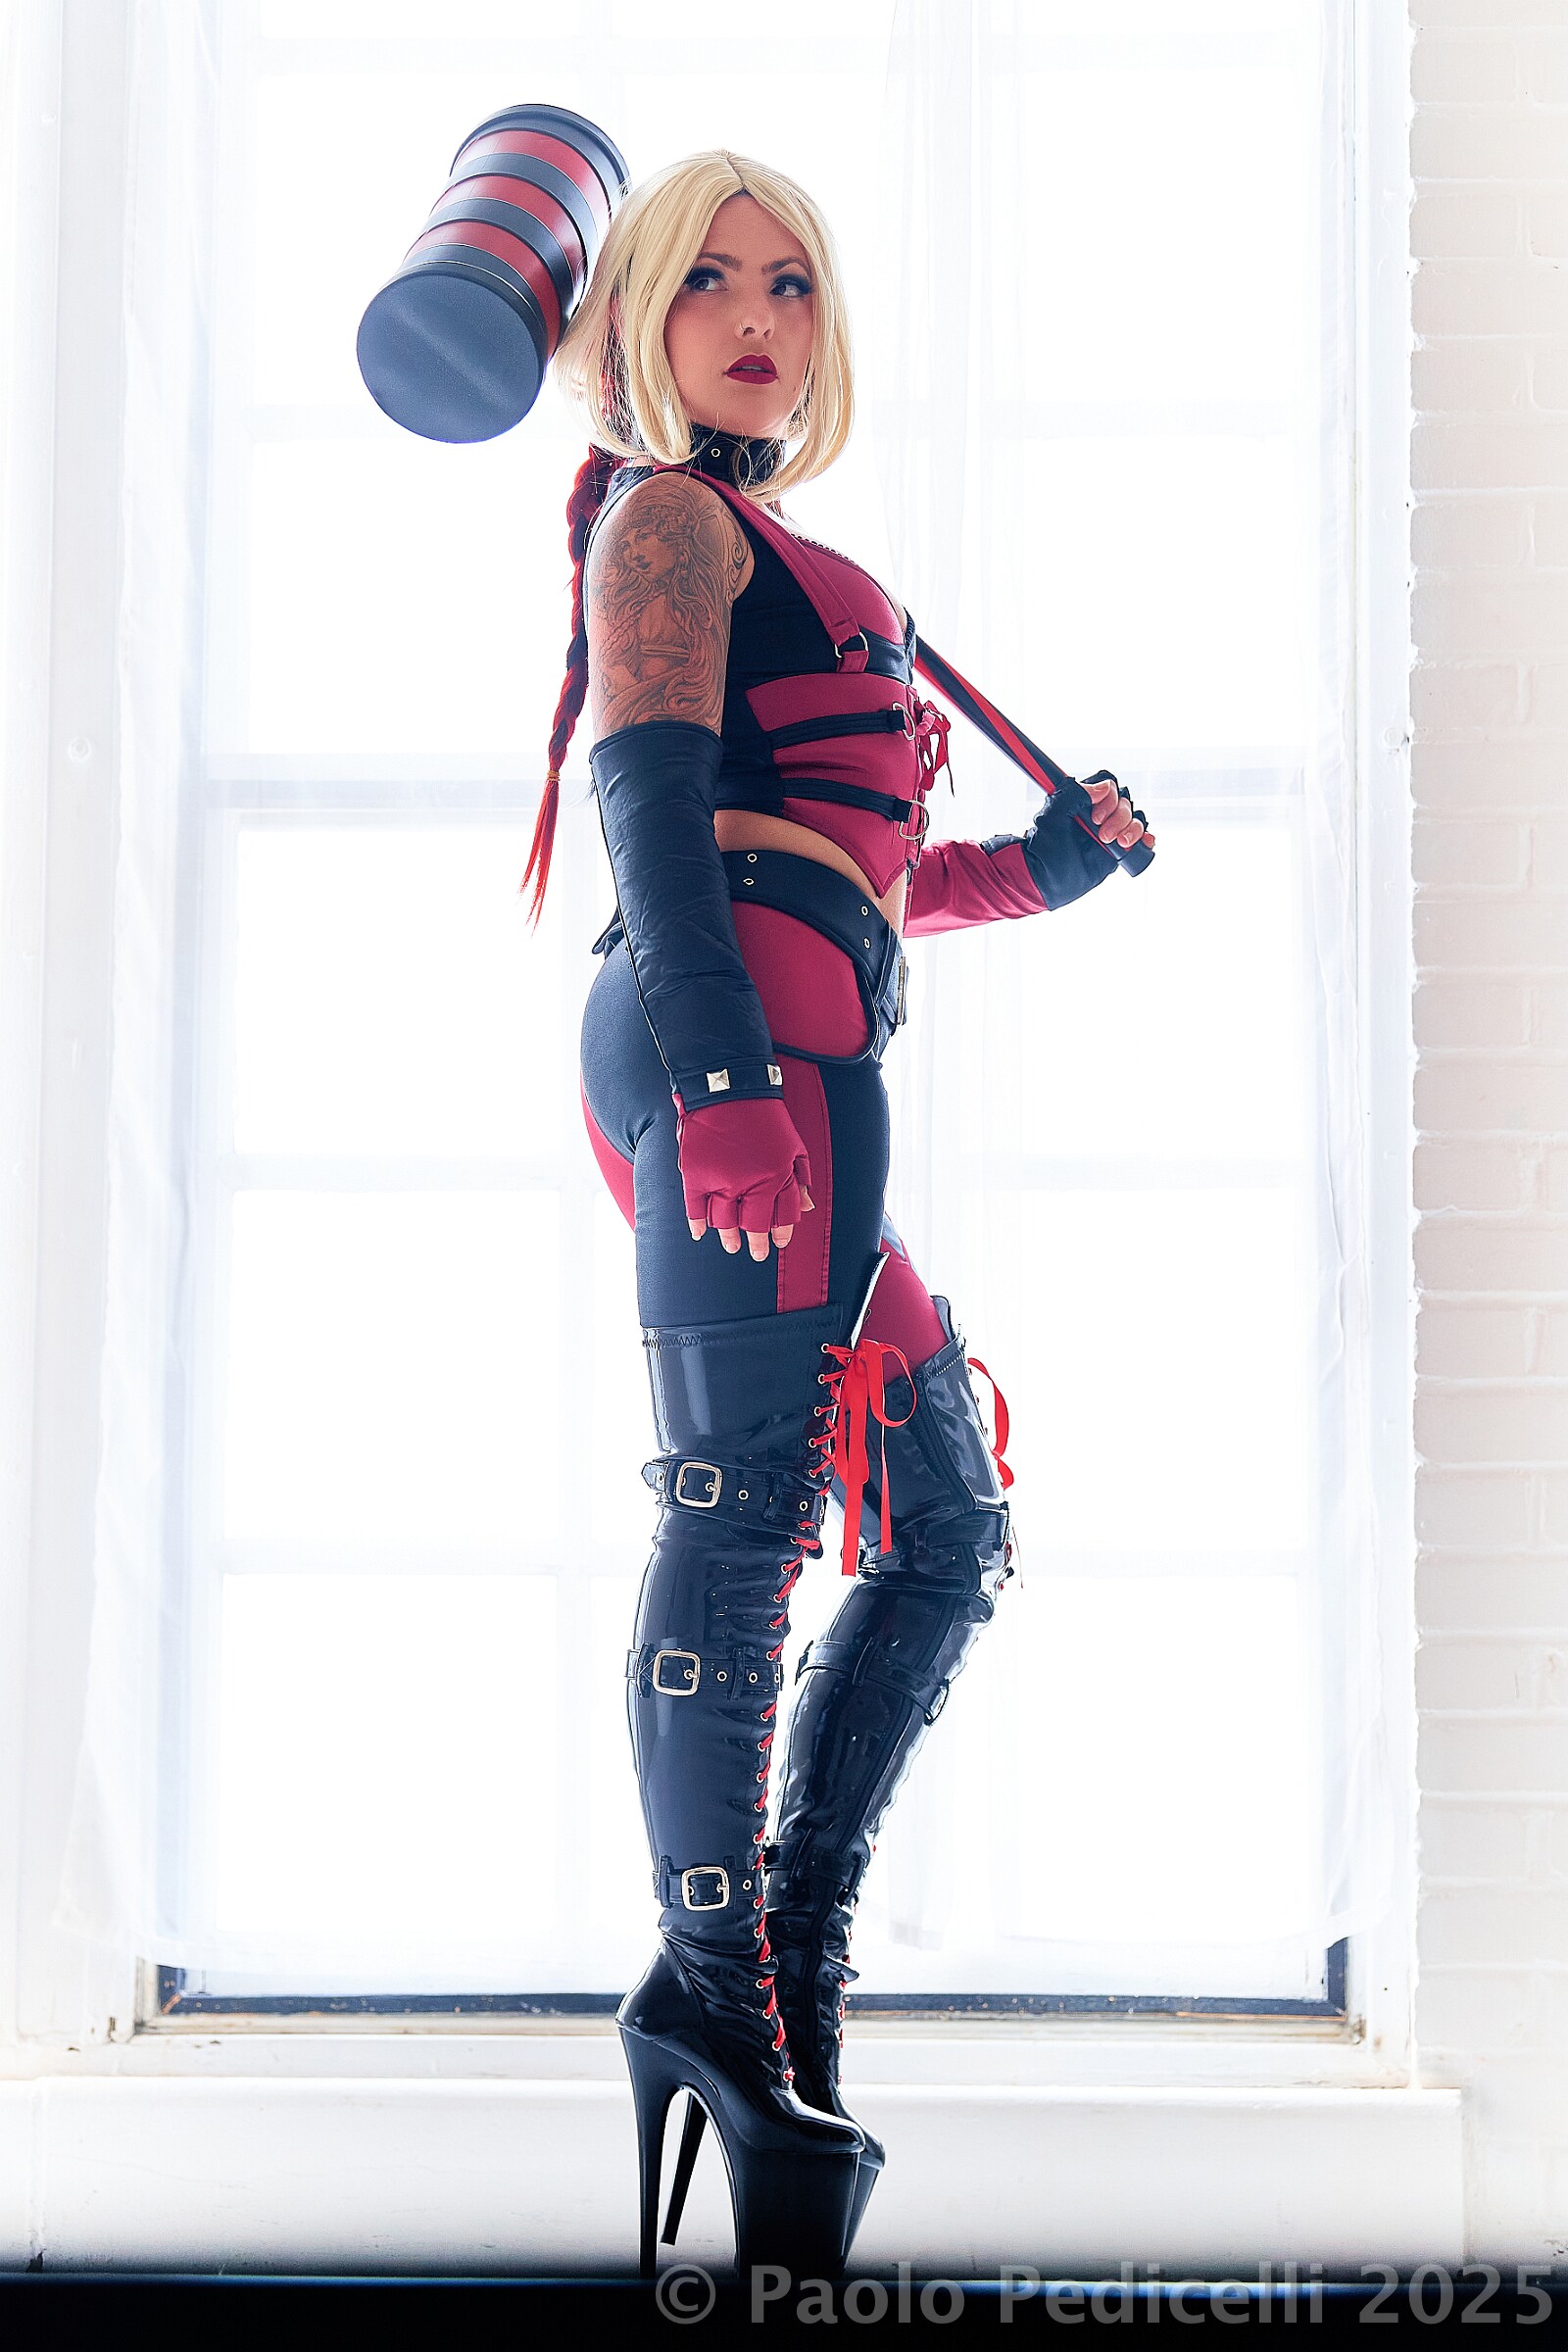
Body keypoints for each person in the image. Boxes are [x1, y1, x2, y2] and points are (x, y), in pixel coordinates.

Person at [525, 150, 1152, 2278]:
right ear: (636, 314)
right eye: (707, 277)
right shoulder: (664, 522)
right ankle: (713, 1998)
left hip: (803, 1039)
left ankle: (778, 1958)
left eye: (789, 280)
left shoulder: (789, 553)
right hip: (732, 1045)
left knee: (943, 1522)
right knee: (740, 1515)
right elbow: (649, 804)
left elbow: (858, 862)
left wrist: (1041, 871)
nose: (755, 315)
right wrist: (717, 1082)